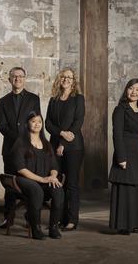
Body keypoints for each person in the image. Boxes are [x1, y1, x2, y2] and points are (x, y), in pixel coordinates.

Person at [109, 78, 138, 235]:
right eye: (131, 88)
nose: (134, 92)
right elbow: (117, 134)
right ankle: (124, 225)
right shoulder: (120, 109)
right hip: (126, 153)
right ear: (126, 90)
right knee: (126, 189)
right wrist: (121, 157)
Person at [10, 111, 64, 240]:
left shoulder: (46, 144)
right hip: (24, 179)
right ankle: (36, 228)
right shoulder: (20, 142)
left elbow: (54, 166)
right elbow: (21, 169)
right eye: (33, 121)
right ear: (27, 124)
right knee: (36, 189)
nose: (36, 124)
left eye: (39, 122)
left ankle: (53, 227)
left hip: (44, 180)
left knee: (58, 190)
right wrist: (42, 179)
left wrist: (52, 176)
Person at [0, 67, 41, 228]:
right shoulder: (3, 101)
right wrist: (19, 139)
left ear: (25, 79)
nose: (17, 79)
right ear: (9, 79)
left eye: (21, 76)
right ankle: (7, 218)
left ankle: (30, 217)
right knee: (10, 184)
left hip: (30, 149)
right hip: (9, 149)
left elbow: (37, 122)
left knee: (29, 182)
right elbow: (2, 126)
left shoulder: (33, 99)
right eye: (14, 76)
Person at [46, 68, 85, 231]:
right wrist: (61, 133)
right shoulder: (53, 100)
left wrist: (63, 143)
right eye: (63, 77)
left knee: (71, 184)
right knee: (56, 183)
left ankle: (72, 219)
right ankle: (58, 219)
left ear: (73, 81)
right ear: (59, 79)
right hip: (54, 146)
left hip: (73, 147)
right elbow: (47, 123)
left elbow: (77, 123)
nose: (66, 79)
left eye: (69, 77)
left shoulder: (78, 99)